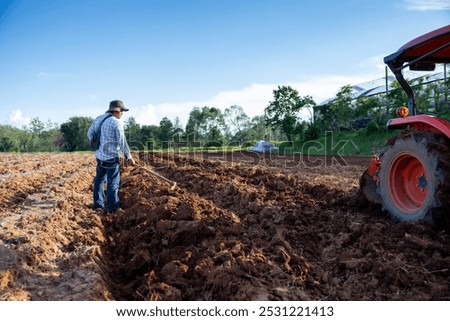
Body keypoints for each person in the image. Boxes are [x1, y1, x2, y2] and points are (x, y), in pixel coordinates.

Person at [87, 100, 135, 212]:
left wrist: (99, 143)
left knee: (99, 179)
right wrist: (129, 156)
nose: (122, 114)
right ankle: (113, 208)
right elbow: (122, 141)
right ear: (117, 111)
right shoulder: (116, 122)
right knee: (113, 181)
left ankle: (98, 205)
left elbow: (89, 134)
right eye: (122, 111)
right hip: (111, 158)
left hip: (99, 156)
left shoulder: (99, 118)